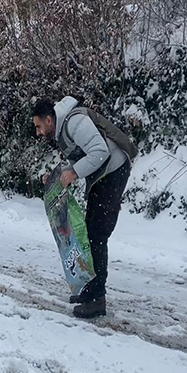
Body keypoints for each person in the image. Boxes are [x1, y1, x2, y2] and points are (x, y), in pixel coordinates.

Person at [33, 97, 133, 318]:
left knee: (97, 234)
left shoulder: (74, 122)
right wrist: (57, 176)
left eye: (39, 126)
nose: (38, 132)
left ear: (49, 120)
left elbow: (99, 152)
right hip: (104, 175)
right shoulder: (63, 130)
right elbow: (82, 155)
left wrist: (75, 173)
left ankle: (97, 300)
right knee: (90, 232)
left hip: (114, 171)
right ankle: (90, 291)